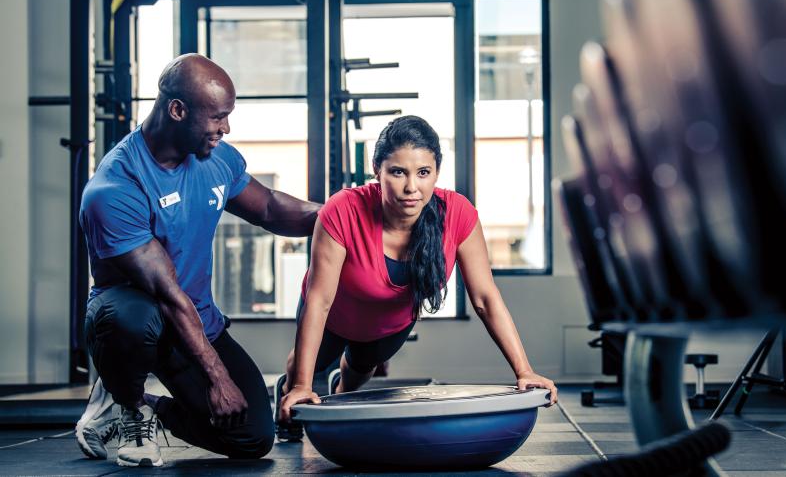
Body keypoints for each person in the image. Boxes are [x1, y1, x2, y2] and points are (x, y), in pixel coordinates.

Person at [74, 54, 320, 467]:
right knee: (131, 317)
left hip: (195, 320)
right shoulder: (114, 188)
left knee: (252, 438)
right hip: (140, 318)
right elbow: (166, 294)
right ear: (177, 110)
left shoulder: (214, 158)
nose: (226, 128)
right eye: (218, 117)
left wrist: (347, 215)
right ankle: (128, 406)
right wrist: (217, 378)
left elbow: (272, 208)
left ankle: (150, 408)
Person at [275, 115, 557, 440]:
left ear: (436, 172)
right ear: (377, 170)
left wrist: (524, 371)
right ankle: (287, 387)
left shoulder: (458, 214)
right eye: (398, 172)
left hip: (389, 323)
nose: (412, 187)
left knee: (354, 378)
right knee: (300, 370)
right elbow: (320, 300)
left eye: (423, 173)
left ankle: (339, 382)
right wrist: (301, 387)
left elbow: (485, 299)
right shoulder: (343, 210)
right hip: (331, 316)